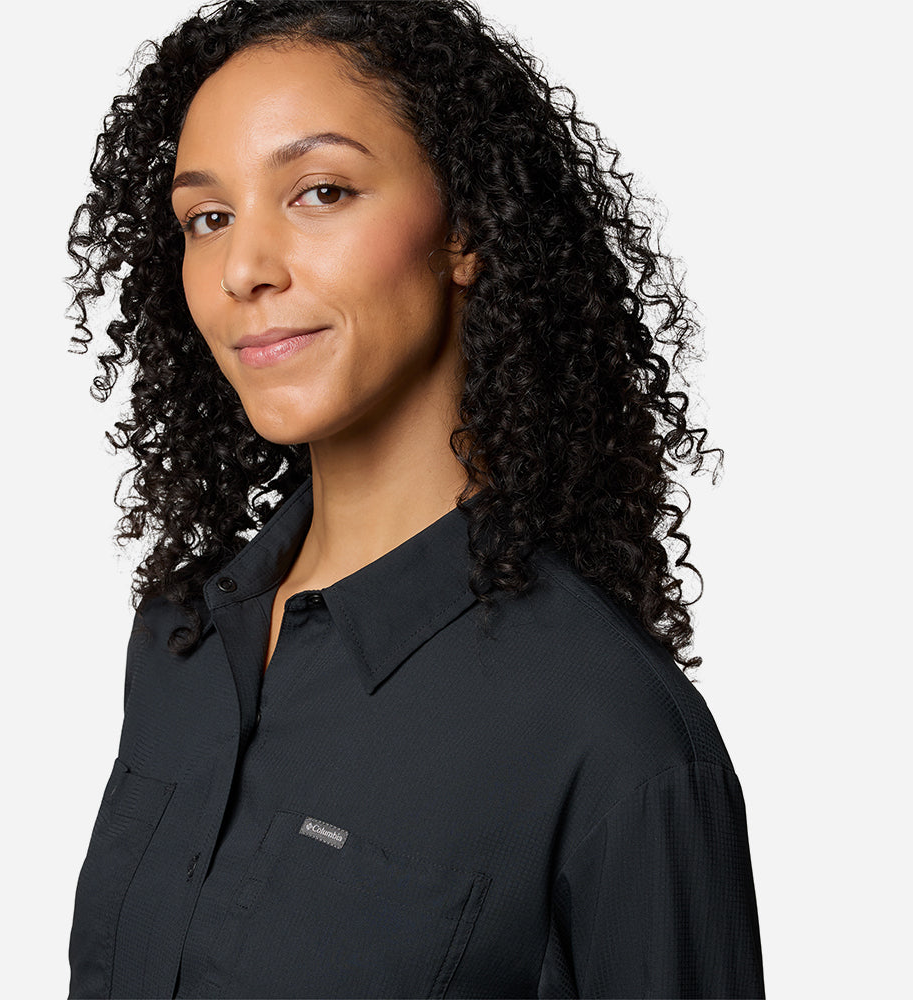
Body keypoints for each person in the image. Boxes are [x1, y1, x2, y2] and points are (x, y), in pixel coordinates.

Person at [65, 1, 764, 997]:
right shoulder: (181, 642)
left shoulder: (610, 732)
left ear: (464, 230)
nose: (243, 270)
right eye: (207, 219)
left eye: (320, 191)